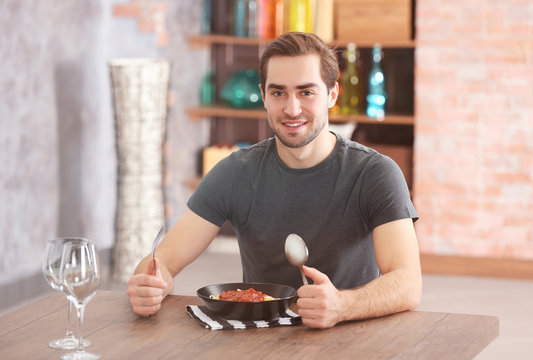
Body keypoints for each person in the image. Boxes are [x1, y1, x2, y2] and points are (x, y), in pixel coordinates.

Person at [127, 32, 422, 329]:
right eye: (279, 93)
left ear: (332, 95)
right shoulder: (235, 172)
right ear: (264, 96)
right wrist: (150, 284)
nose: (292, 109)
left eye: (306, 92)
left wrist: (343, 305)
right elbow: (161, 261)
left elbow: (408, 282)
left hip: (352, 334)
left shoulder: (375, 173)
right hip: (256, 338)